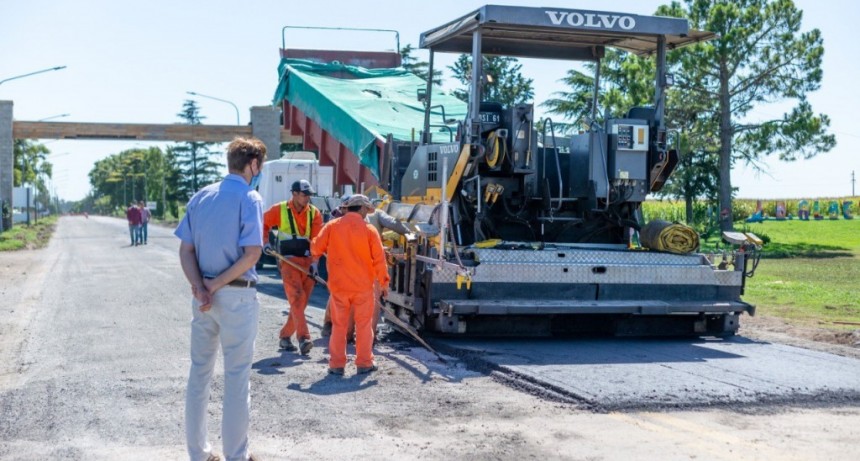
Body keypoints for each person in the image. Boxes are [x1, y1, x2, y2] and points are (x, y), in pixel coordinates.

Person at [174, 137, 266, 461]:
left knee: (199, 374)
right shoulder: (250, 198)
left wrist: (200, 287)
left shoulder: (201, 197)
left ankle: (199, 455)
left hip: (202, 302)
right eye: (260, 166)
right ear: (252, 164)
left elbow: (185, 250)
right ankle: (236, 456)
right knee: (237, 378)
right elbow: (252, 253)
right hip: (237, 297)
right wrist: (215, 285)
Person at [311, 194, 389, 375]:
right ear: (361, 209)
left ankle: (337, 365)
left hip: (339, 287)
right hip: (363, 288)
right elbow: (379, 260)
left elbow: (316, 248)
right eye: (366, 210)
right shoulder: (370, 230)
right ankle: (364, 363)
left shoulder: (331, 226)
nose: (366, 214)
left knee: (339, 326)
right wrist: (384, 284)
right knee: (363, 325)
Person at [320, 196, 408, 338]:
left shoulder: (337, 221)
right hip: (364, 268)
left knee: (343, 299)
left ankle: (342, 333)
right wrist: (410, 233)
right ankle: (362, 337)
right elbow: (394, 225)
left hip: (349, 268)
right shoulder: (371, 221)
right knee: (367, 303)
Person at [262, 179, 322, 355]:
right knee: (296, 297)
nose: (307, 199)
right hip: (288, 262)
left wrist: (315, 263)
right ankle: (304, 338)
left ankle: (285, 336)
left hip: (307, 261)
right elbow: (262, 224)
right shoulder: (279, 210)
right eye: (304, 195)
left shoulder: (314, 213)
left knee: (301, 303)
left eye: (309, 195)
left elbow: (317, 240)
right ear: (294, 194)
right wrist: (265, 242)